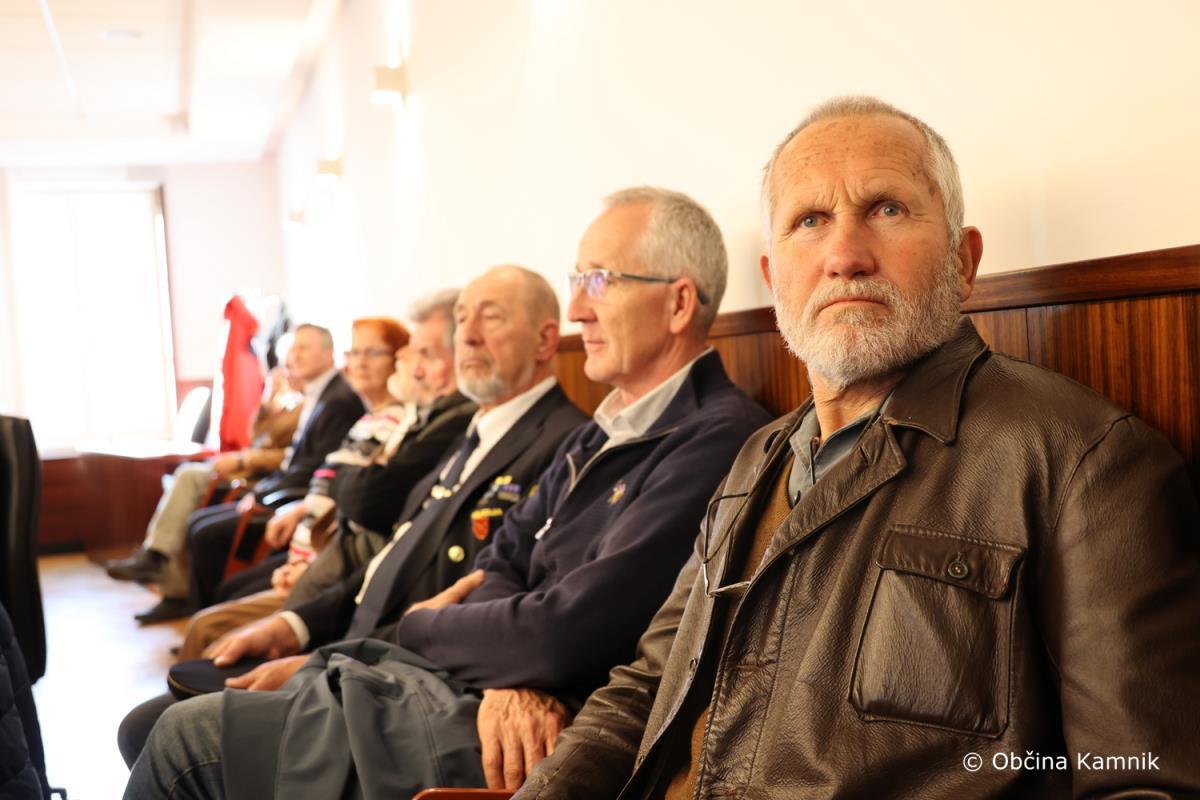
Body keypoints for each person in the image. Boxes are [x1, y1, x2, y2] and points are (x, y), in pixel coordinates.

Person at [514, 97, 1200, 800]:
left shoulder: (1084, 461)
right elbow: (648, 684)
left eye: (887, 209)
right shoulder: (757, 458)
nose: (844, 256)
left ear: (964, 261)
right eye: (810, 221)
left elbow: (1142, 782)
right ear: (774, 278)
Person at [123, 189, 772, 799]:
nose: (579, 307)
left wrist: (427, 625)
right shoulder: (602, 429)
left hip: (546, 730)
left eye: (599, 280)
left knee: (181, 742)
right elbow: (499, 564)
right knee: (154, 728)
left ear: (678, 304)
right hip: (472, 684)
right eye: (576, 280)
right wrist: (505, 654)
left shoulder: (714, 440)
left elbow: (561, 635)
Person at [118, 265, 587, 770]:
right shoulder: (477, 432)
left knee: (157, 733)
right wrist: (296, 624)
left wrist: (327, 661)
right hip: (353, 647)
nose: (466, 336)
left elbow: (469, 604)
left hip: (404, 678)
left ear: (546, 341)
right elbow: (392, 559)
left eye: (489, 318)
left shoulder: (562, 444)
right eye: (462, 318)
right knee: (155, 718)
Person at [175, 294, 477, 659]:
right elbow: (333, 479)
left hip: (339, 561)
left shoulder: (399, 415)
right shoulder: (367, 413)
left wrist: (335, 491)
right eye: (355, 353)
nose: (358, 363)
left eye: (374, 354)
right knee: (213, 569)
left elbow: (361, 498)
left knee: (212, 615)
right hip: (323, 548)